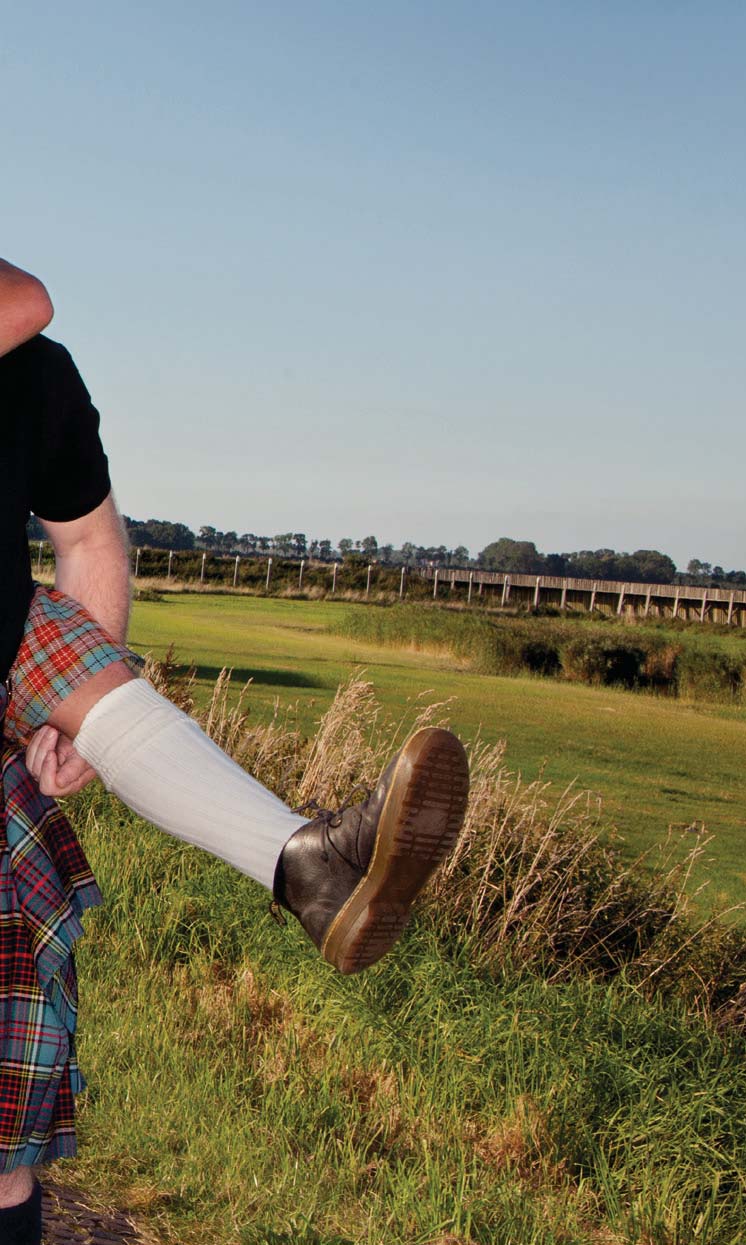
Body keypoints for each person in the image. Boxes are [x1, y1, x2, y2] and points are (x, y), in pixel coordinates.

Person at [0, 259, 470, 1245]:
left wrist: (84, 727)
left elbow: (88, 544)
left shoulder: (34, 376)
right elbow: (26, 296)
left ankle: (312, 866)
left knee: (1, 1159)